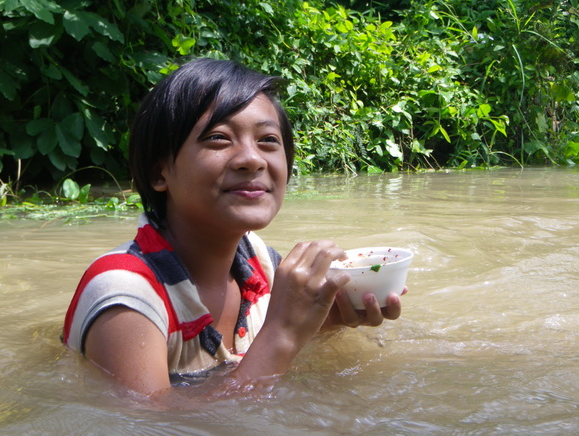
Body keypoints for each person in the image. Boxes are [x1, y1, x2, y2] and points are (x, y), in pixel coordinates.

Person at [62, 58, 406, 396]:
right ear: (159, 173)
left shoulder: (262, 264)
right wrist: (282, 333)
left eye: (268, 140)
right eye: (218, 138)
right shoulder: (126, 296)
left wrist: (325, 322)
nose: (252, 159)